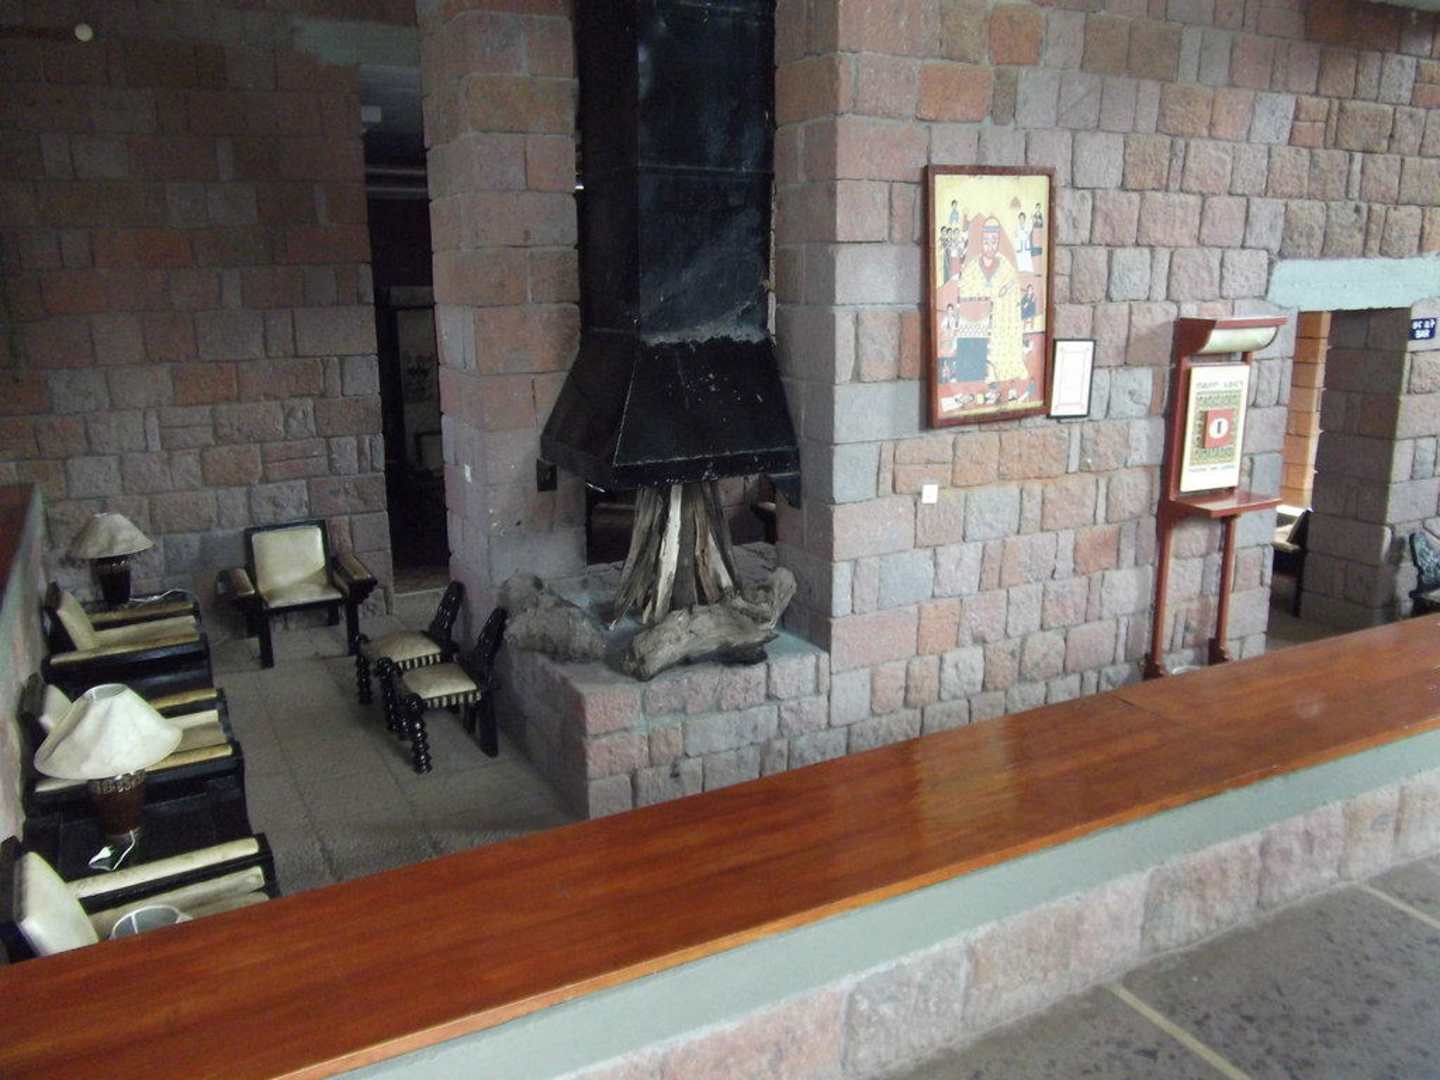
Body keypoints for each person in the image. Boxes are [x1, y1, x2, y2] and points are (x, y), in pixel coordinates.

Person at [954, 217, 1028, 386]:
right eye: (986, 242)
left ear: (998, 242)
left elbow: (1013, 291)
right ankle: (977, 369)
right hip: (978, 318)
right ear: (981, 242)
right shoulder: (972, 268)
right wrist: (983, 299)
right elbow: (965, 290)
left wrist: (1000, 298)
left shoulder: (1006, 267)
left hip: (1001, 321)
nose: (990, 246)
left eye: (994, 242)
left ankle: (1004, 369)